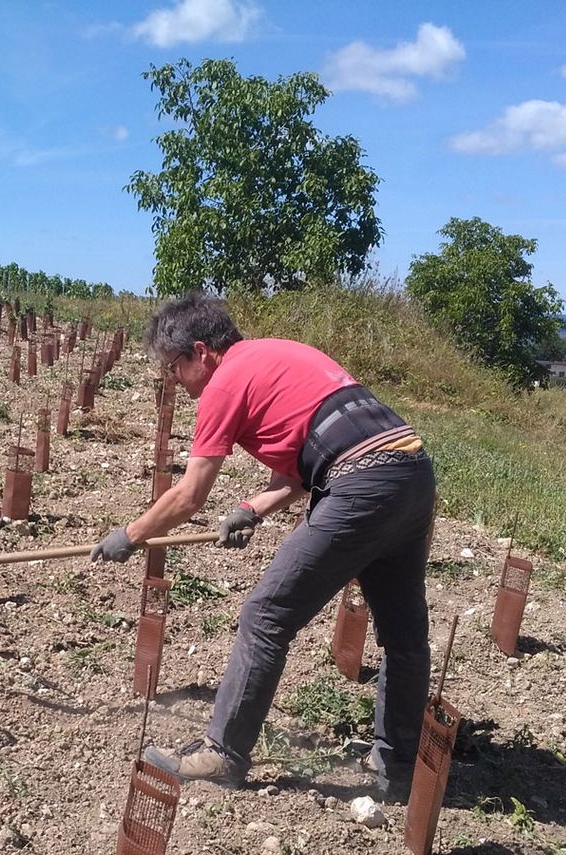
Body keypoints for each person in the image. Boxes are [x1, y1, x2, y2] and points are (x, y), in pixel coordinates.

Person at [90, 292, 435, 797]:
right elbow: (307, 462)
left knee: (267, 614)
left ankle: (223, 754)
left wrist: (130, 534)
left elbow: (188, 496)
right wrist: (252, 509)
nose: (174, 381)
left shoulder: (223, 383)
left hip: (361, 484)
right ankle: (401, 768)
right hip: (411, 474)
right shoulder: (278, 353)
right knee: (404, 635)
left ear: (202, 352)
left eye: (173, 367)